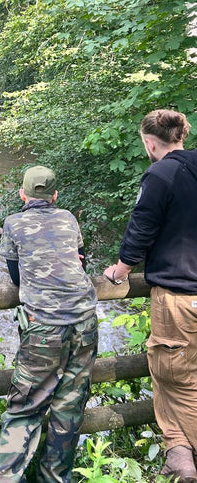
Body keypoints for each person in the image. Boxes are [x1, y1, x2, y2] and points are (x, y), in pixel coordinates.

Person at [103, 109, 197, 483]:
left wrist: (120, 270)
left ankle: (183, 458)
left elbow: (142, 226)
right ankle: (180, 459)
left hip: (179, 295)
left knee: (174, 377)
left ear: (149, 142)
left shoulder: (160, 174)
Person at [0, 165, 98, 483]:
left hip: (45, 327)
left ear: (22, 194)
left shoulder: (13, 222)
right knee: (69, 407)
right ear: (55, 195)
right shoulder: (68, 218)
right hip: (85, 322)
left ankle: (7, 478)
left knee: (25, 406)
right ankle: (55, 478)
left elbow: (15, 276)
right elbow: (80, 261)